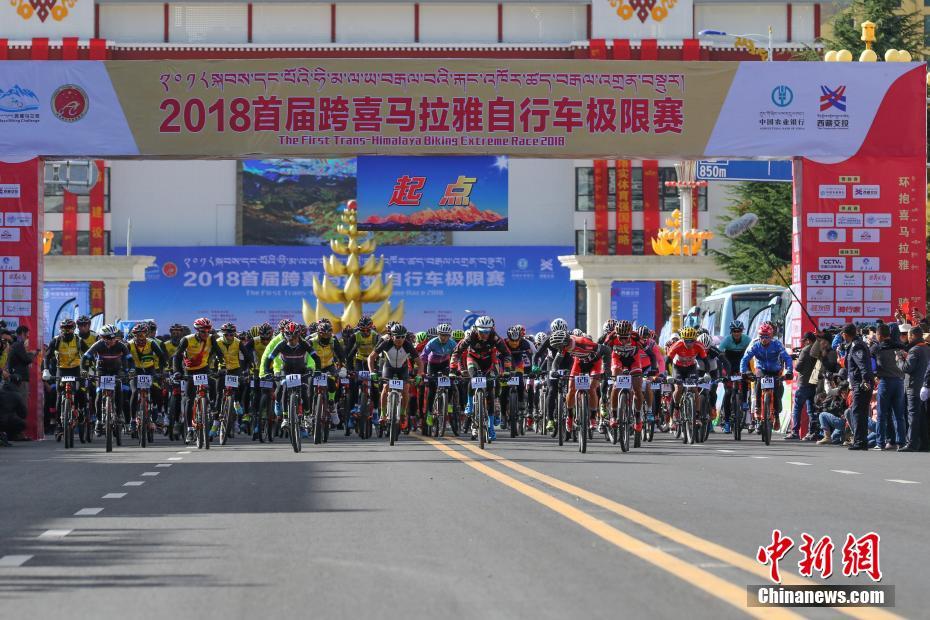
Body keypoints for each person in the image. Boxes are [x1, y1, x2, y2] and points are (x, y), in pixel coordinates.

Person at [740, 322, 793, 432]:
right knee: (758, 383)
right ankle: (758, 407)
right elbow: (745, 359)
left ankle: (776, 416)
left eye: (767, 337)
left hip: (775, 370)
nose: (764, 339)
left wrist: (789, 371)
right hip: (761, 369)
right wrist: (743, 371)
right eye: (761, 337)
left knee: (777, 392)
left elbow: (787, 358)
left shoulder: (777, 344)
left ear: (771, 336)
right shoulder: (755, 345)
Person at [870, 323, 906, 450]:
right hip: (899, 382)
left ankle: (880, 442)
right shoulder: (900, 346)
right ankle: (901, 442)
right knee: (899, 415)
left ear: (879, 335)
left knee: (882, 414)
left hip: (885, 382)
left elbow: (872, 366)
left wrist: (875, 374)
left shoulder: (876, 348)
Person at [840, 323, 874, 451]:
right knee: (861, 412)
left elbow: (862, 364)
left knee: (858, 412)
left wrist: (865, 380)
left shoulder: (856, 346)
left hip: (861, 384)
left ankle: (859, 441)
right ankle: (861, 440)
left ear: (845, 334)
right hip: (860, 383)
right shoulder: (855, 345)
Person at [900, 325, 930, 451]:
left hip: (913, 386)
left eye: (908, 335)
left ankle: (911, 443)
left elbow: (907, 368)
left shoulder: (915, 350)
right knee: (922, 416)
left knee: (912, 415)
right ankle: (924, 443)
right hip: (923, 386)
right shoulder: (926, 348)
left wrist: (900, 359)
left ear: (912, 336)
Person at [787, 332, 817, 440]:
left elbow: (798, 367)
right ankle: (812, 433)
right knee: (811, 410)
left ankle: (795, 432)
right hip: (814, 383)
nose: (803, 343)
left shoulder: (805, 350)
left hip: (804, 383)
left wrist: (795, 360)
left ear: (808, 340)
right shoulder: (818, 349)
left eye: (804, 341)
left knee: (797, 408)